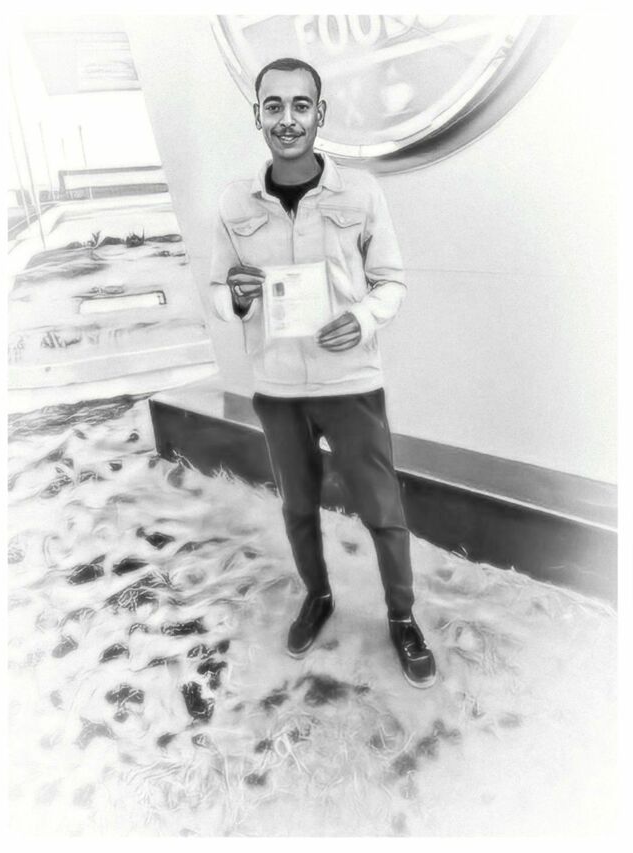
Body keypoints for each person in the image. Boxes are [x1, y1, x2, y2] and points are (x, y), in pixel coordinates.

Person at [209, 57, 436, 688]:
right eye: (273, 105)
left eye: (300, 104)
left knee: (382, 509)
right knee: (298, 507)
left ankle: (402, 616)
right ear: (258, 116)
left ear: (320, 114)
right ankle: (318, 596)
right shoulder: (233, 201)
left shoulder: (360, 193)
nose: (287, 118)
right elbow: (217, 290)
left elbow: (391, 282)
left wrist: (361, 319)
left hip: (349, 382)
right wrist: (235, 298)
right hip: (277, 385)